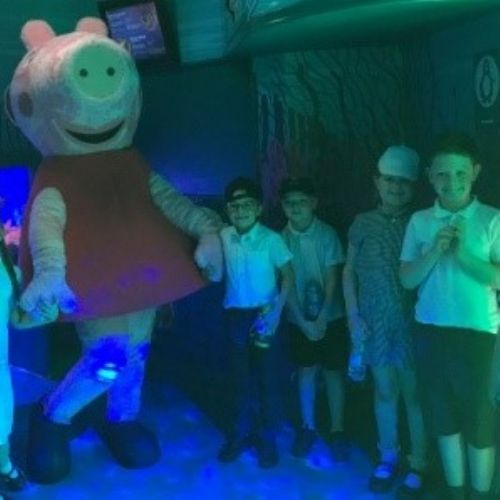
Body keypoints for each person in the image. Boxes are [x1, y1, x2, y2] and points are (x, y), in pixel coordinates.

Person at [400, 132, 500, 500]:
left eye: (460, 172)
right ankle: (456, 493)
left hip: (479, 335)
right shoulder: (420, 221)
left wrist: (463, 256)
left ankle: (481, 495)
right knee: (442, 415)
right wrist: (434, 251)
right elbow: (407, 279)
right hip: (431, 331)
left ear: (475, 172)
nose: (451, 181)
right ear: (429, 176)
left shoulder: (492, 219)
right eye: (442, 173)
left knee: (480, 418)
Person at [343, 146, 427, 496]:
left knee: (413, 394)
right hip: (373, 321)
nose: (395, 187)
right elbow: (349, 272)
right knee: (384, 390)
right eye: (389, 180)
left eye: (404, 181)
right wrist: (352, 315)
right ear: (377, 182)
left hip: (409, 321)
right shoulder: (362, 222)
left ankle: (419, 462)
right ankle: (388, 456)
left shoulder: (419, 222)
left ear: (414, 186)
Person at [217, 177, 293, 468]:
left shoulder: (271, 239)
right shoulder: (224, 236)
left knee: (267, 379)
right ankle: (239, 435)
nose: (240, 211)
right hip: (235, 315)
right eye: (234, 206)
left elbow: (288, 275)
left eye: (247, 204)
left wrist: (276, 311)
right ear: (227, 210)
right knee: (239, 379)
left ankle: (267, 440)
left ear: (259, 208)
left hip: (265, 314)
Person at [279, 177, 350, 461]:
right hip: (298, 319)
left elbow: (333, 278)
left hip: (332, 317)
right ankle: (308, 427)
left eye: (301, 201)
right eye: (289, 203)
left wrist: (323, 317)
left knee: (333, 371)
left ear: (313, 203)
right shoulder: (280, 239)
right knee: (306, 370)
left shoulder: (327, 235)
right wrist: (301, 319)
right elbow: (286, 282)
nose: (295, 207)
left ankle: (337, 428)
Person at [0, 225, 57, 494]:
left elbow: (16, 318)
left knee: (2, 429)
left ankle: (4, 466)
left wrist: (43, 312)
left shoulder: (6, 268)